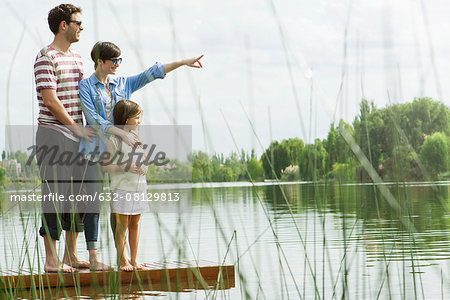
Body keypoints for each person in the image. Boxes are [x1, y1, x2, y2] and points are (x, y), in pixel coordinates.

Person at [78, 41, 203, 265]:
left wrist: (184, 63)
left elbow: (152, 73)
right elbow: (93, 119)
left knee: (121, 209)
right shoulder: (86, 86)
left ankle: (123, 257)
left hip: (124, 152)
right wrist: (119, 131)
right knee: (93, 203)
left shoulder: (123, 83)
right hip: (96, 149)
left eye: (119, 60)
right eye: (113, 60)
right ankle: (94, 256)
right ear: (100, 61)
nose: (117, 64)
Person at [33, 3, 96, 273]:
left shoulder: (80, 58)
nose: (82, 27)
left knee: (83, 196)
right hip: (53, 135)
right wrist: (75, 128)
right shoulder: (46, 56)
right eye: (78, 23)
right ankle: (51, 260)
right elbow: (50, 100)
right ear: (63, 25)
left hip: (78, 137)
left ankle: (71, 255)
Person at [102, 100, 149, 270]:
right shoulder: (114, 141)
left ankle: (134, 260)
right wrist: (126, 166)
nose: (138, 121)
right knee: (122, 225)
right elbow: (105, 166)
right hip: (122, 189)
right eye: (136, 118)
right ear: (125, 119)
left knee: (135, 224)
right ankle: (123, 260)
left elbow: (144, 159)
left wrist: (144, 166)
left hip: (139, 188)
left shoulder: (138, 138)